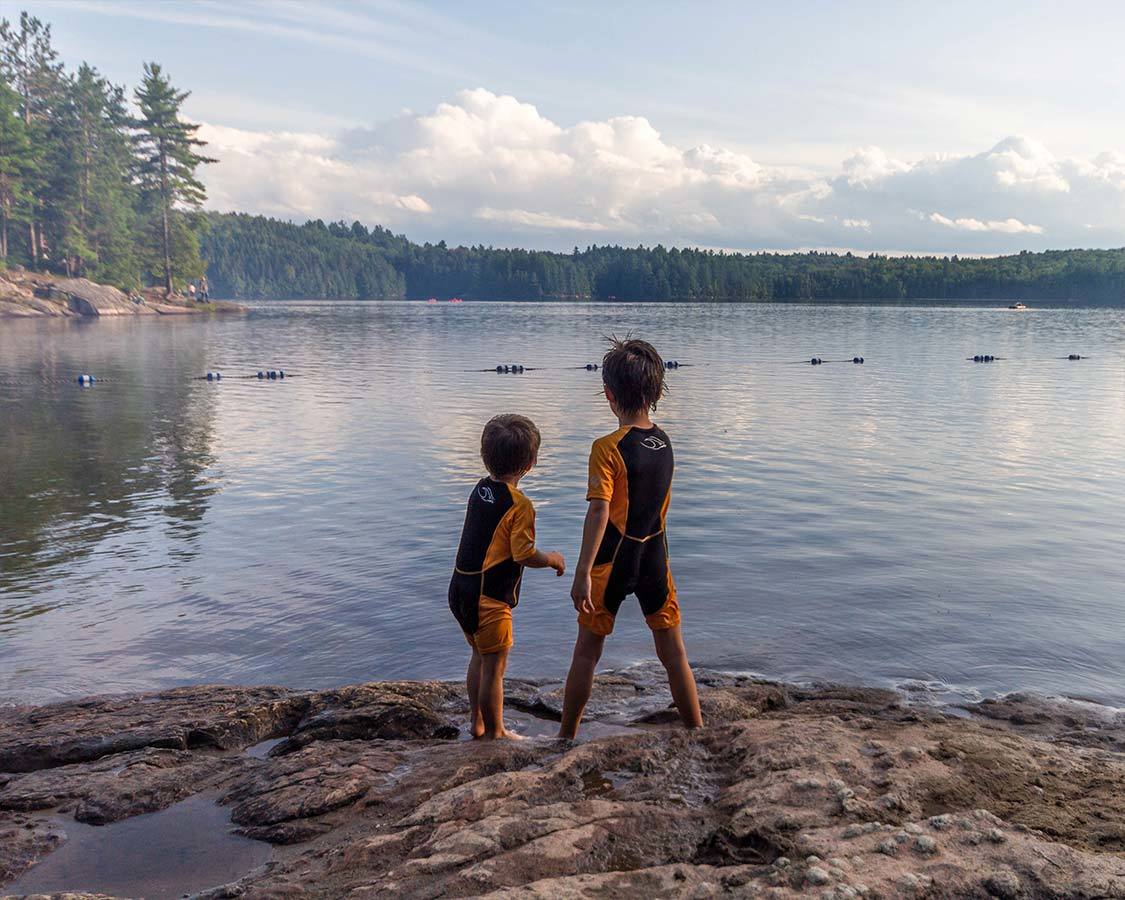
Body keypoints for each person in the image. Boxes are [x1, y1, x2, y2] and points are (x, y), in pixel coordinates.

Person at [558, 337, 703, 739]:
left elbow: (599, 511)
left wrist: (582, 572)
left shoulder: (606, 448)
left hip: (611, 563)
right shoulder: (665, 443)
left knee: (587, 652)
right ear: (656, 392)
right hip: (655, 558)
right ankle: (697, 732)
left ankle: (565, 737)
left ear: (608, 395)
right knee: (674, 655)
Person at [449, 414, 566, 739]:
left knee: (478, 657)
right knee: (495, 669)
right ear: (530, 462)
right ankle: (496, 732)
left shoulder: (480, 489)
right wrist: (552, 559)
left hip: (460, 590)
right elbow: (524, 554)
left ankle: (477, 722)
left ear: (485, 455)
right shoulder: (520, 506)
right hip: (490, 598)